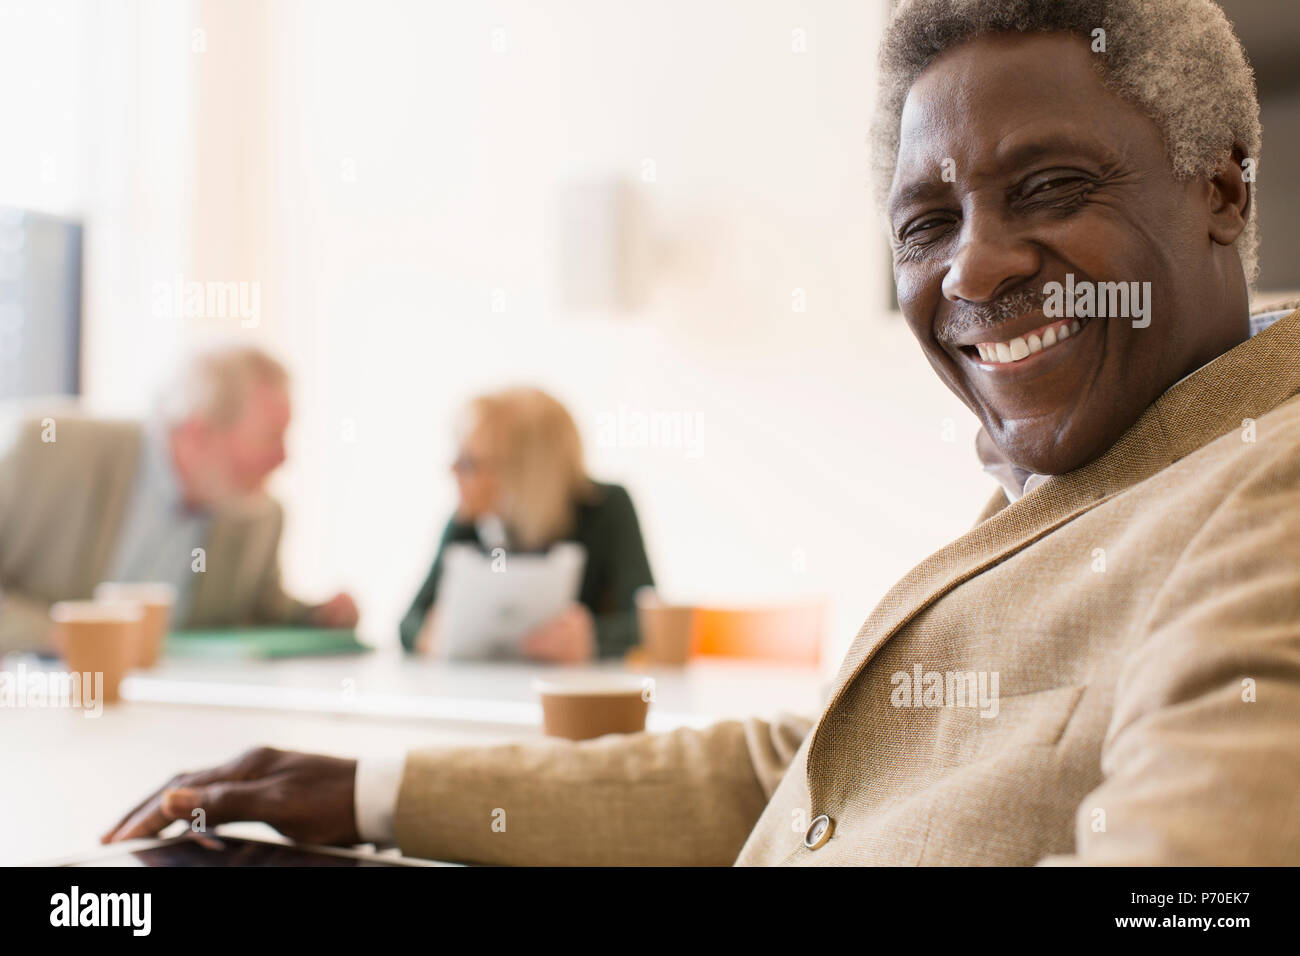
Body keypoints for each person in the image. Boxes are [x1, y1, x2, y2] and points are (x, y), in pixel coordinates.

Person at [104, 0, 1300, 865]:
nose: (973, 263)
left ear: (1222, 190)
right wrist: (372, 790)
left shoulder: (1269, 479)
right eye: (925, 222)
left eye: (1048, 187)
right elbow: (812, 769)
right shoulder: (1108, 470)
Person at [0, 345, 358, 652]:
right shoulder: (46, 452)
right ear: (198, 432)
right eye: (269, 438)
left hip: (172, 715)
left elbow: (262, 611)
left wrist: (317, 617)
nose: (283, 458)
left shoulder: (259, 514)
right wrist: (54, 635)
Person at [399, 387, 653, 662]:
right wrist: (427, 635)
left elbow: (648, 625)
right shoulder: (468, 521)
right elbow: (408, 624)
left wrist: (594, 639)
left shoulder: (606, 508)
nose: (453, 471)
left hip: (577, 694)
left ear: (524, 473)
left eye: (471, 463)